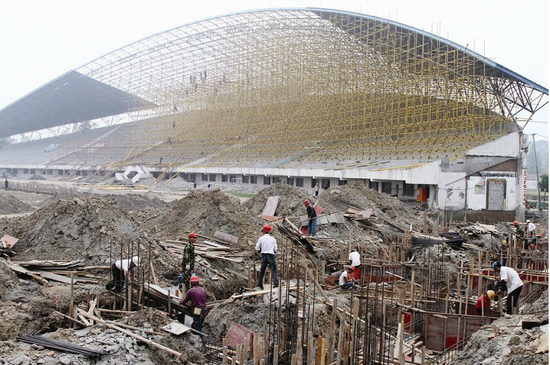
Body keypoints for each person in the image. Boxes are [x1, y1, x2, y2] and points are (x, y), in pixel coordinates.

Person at [255, 224, 278, 289]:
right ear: (269, 231)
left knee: (262, 270)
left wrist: (260, 250)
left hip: (264, 255)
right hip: (271, 255)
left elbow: (257, 248)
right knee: (274, 270)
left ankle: (259, 283)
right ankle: (275, 284)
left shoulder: (261, 239)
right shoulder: (273, 239)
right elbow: (275, 249)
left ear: (263, 231)